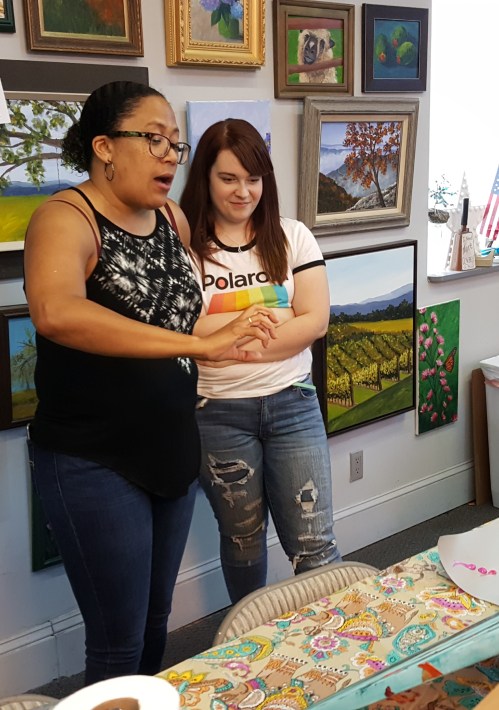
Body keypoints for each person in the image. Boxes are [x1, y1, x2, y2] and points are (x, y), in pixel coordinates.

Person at [23, 82, 277, 685]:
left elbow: (176, 317)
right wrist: (199, 345)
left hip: (172, 446)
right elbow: (57, 312)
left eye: (175, 144)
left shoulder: (171, 219)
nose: (170, 156)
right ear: (105, 147)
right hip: (94, 458)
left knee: (156, 620)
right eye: (155, 139)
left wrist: (231, 331)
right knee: (118, 641)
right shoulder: (64, 218)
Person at [180, 118, 341, 605]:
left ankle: (330, 635)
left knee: (315, 545)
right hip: (218, 411)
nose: (243, 191)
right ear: (205, 178)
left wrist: (225, 338)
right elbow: (183, 331)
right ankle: (249, 638)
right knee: (243, 540)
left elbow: (315, 321)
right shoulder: (184, 249)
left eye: (253, 179)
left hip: (293, 404)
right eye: (228, 178)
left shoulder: (293, 237)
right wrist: (275, 325)